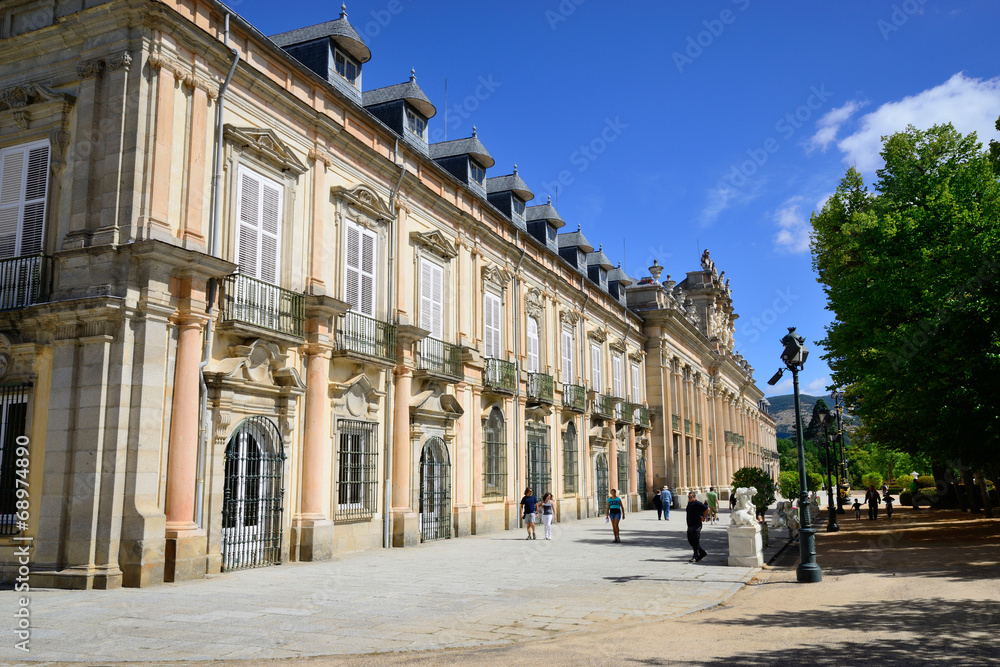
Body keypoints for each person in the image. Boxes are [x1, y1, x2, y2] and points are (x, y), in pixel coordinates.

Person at [685, 492, 709, 562]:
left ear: (694, 497)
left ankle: (695, 556)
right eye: (688, 497)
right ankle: (702, 553)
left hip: (696, 525)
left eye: (691, 497)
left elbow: (707, 509)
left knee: (695, 540)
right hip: (690, 525)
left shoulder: (697, 503)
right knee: (690, 540)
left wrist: (704, 517)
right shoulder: (689, 503)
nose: (689, 498)